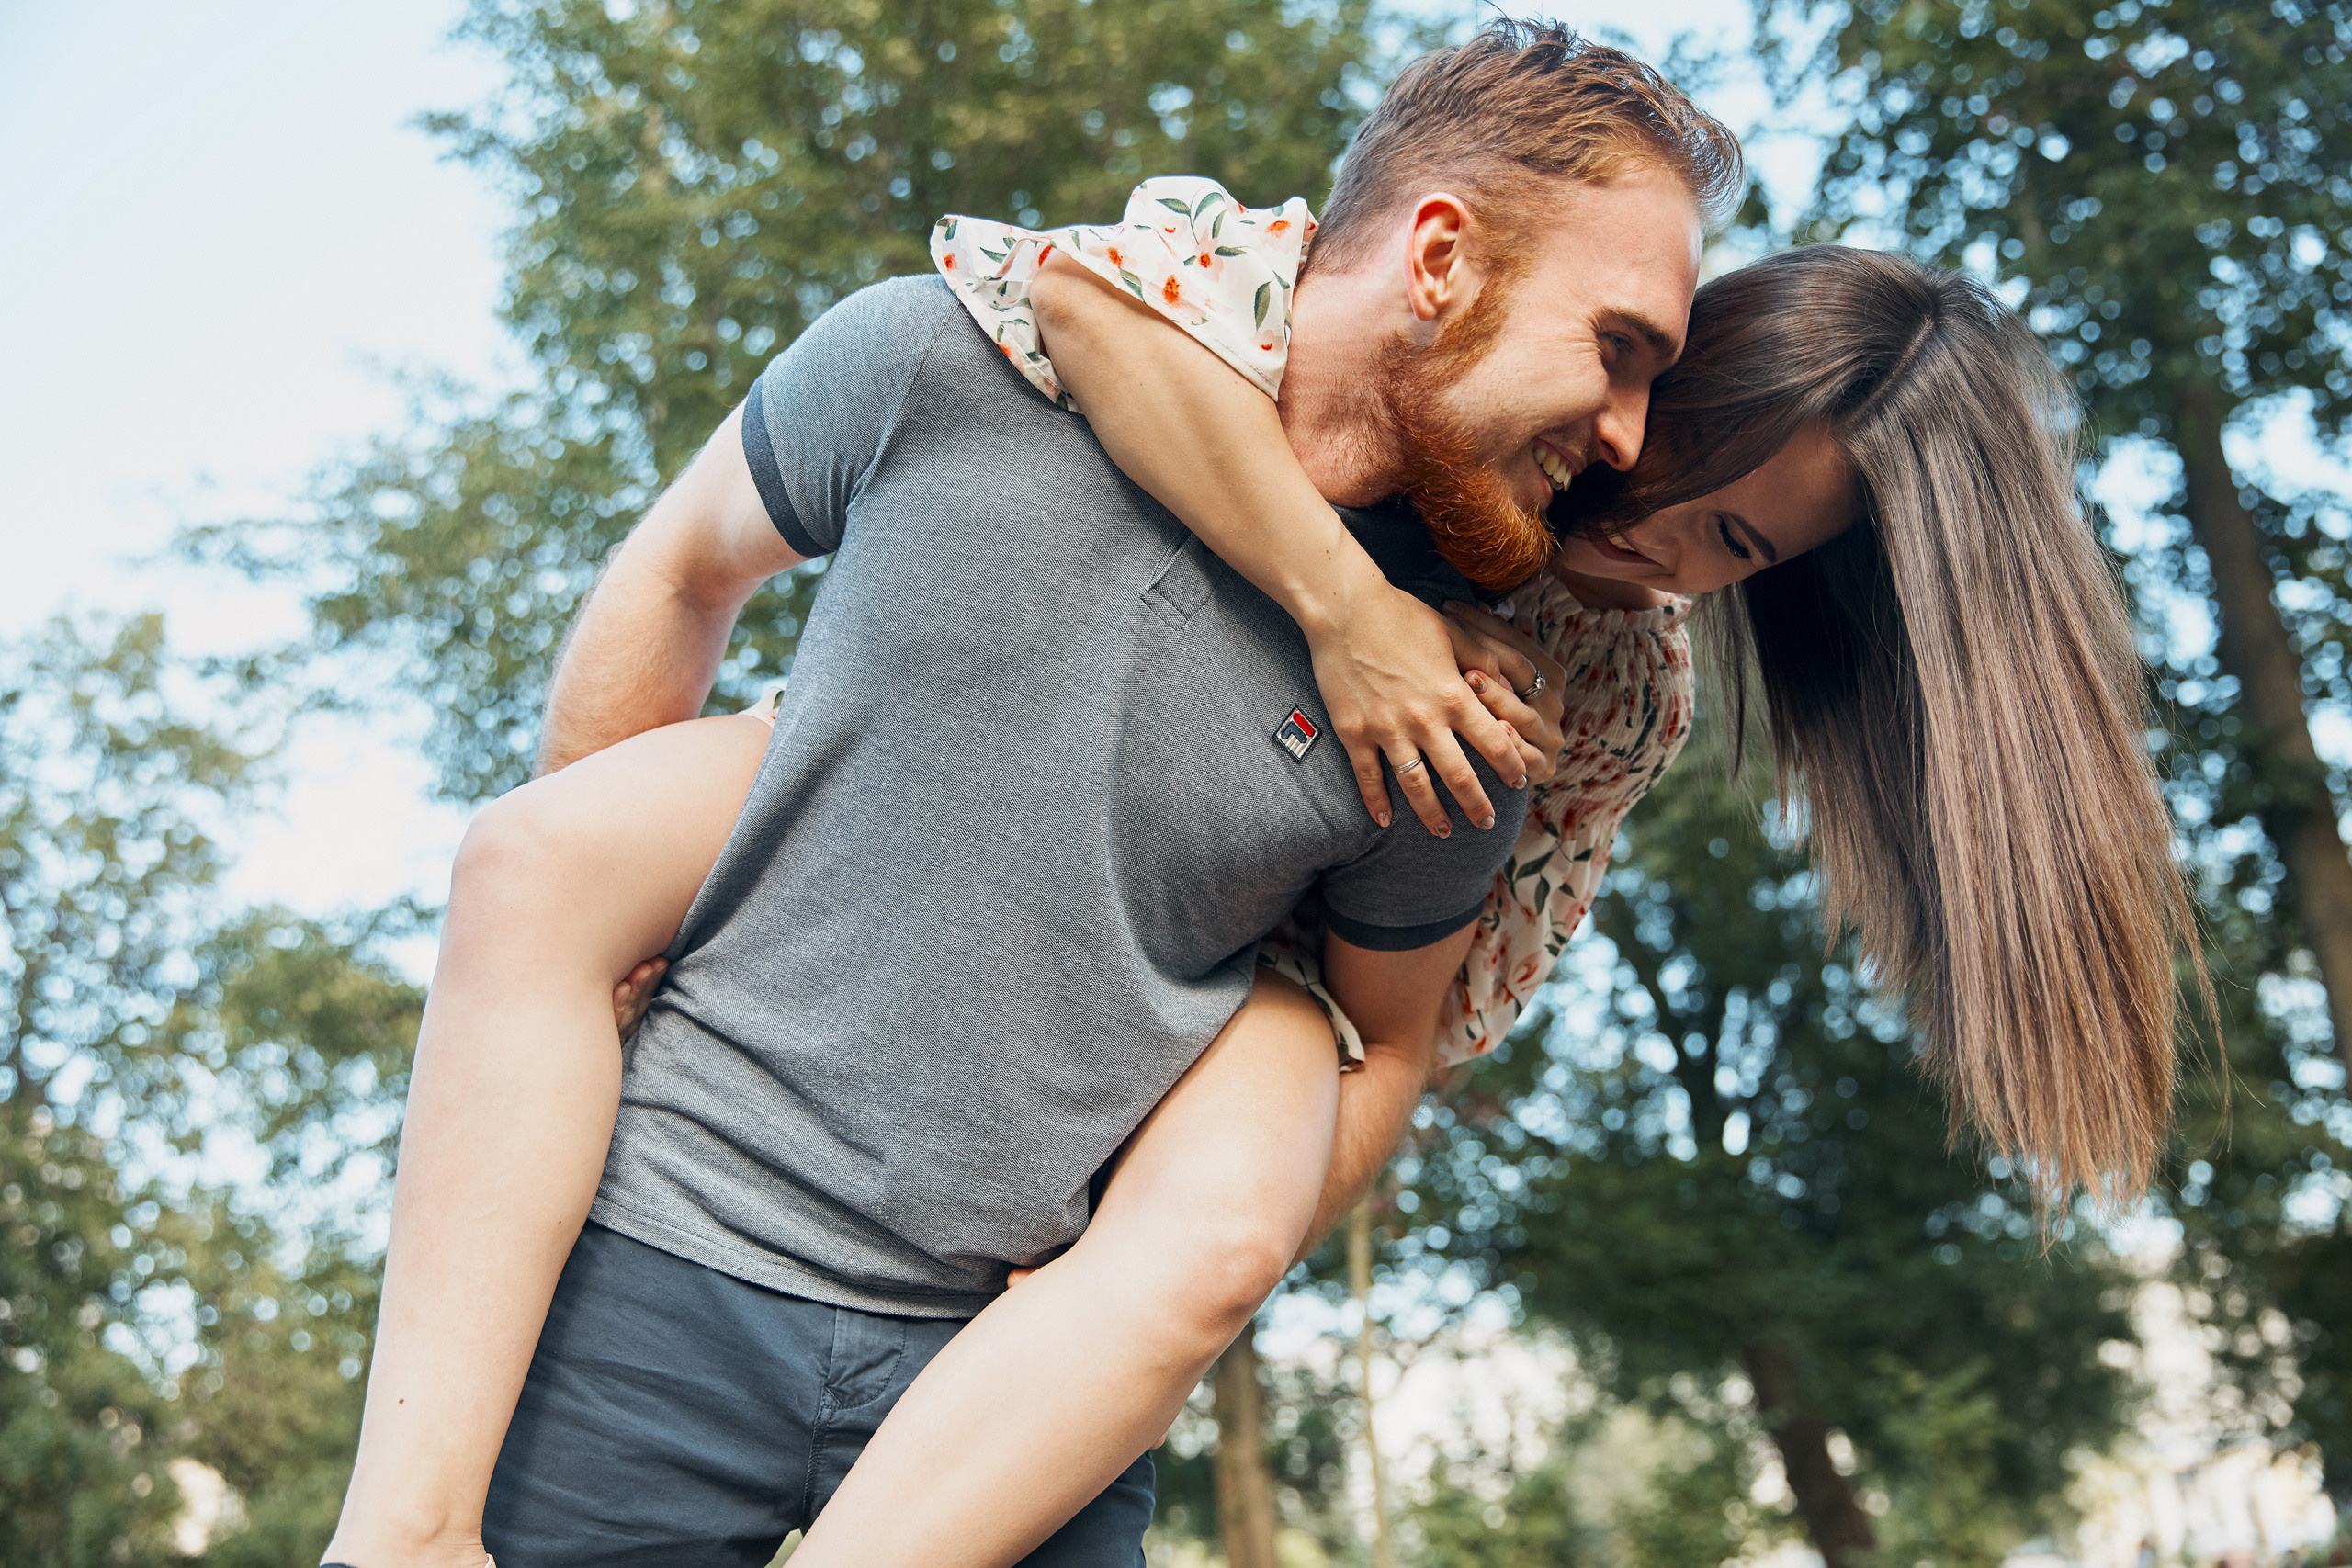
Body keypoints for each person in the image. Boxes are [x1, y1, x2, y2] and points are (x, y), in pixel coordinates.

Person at [322, 22, 1742, 1568]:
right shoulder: (942, 363)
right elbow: (678, 570)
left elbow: (1385, 1044)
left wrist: (1152, 1292)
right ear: (1442, 258)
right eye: (1620, 350)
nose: (1625, 437)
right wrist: (607, 940)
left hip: (1013, 1407)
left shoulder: (1461, 716)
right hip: (653, 1284)